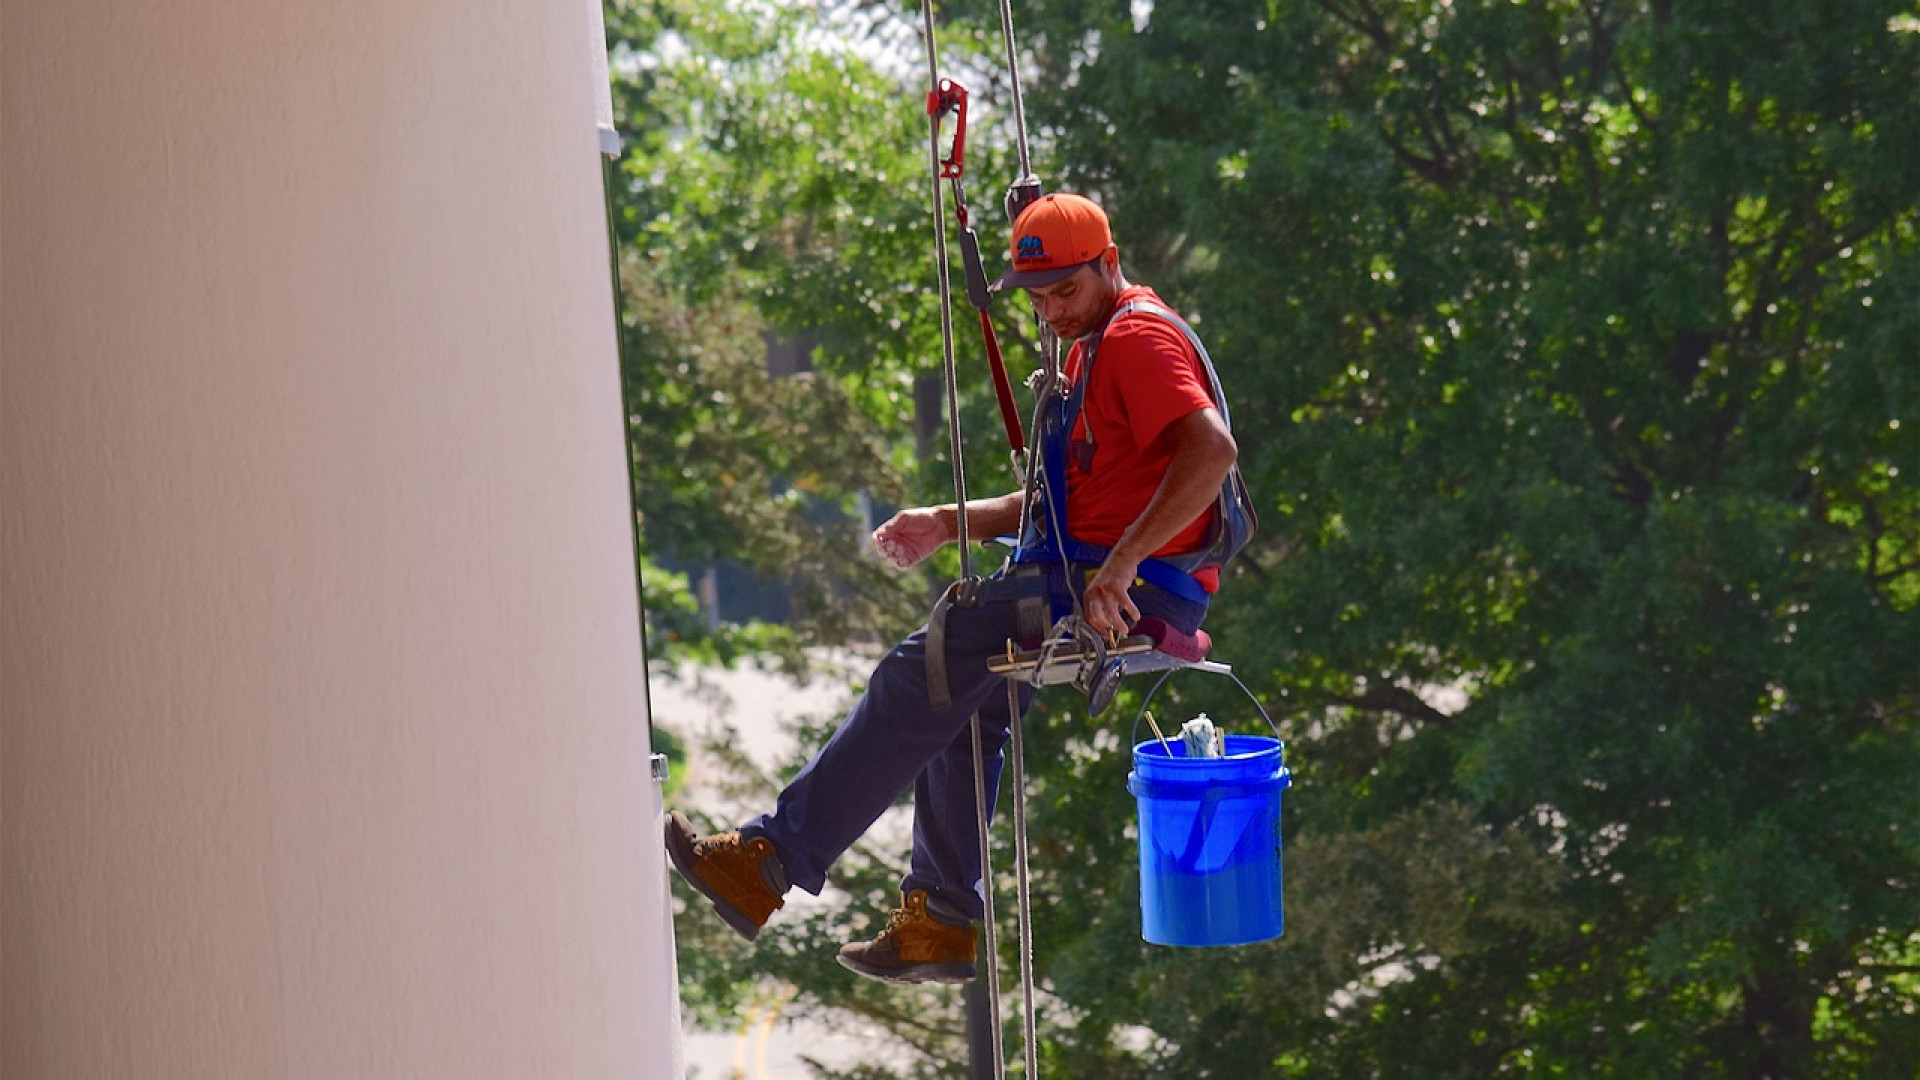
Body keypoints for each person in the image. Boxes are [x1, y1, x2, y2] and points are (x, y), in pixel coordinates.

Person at [664, 192, 1240, 984]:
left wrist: (1124, 563)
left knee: (922, 667)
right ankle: (935, 921)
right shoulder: (1092, 349)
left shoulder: (1136, 336)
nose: (1052, 311)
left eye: (1066, 291)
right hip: (1094, 574)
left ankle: (769, 859)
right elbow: (1059, 504)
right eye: (1038, 298)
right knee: (964, 704)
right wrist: (947, 519)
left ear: (1109, 265)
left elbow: (1211, 452)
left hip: (1123, 586)